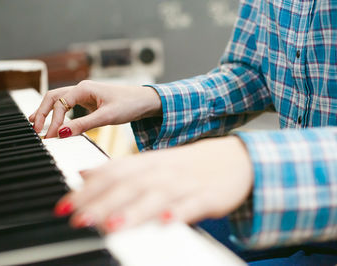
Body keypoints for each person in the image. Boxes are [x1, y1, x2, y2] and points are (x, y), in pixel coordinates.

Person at [30, 0, 337, 264]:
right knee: (118, 235)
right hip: (282, 203)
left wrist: (247, 161)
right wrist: (149, 99)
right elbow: (255, 73)